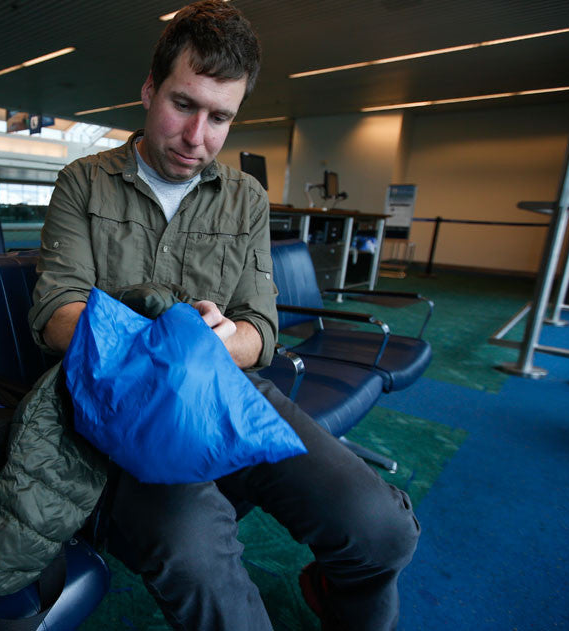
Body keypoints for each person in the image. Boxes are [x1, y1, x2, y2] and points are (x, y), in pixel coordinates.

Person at [27, 1, 421, 629]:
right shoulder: (85, 182)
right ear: (150, 89)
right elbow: (55, 314)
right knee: (194, 555)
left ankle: (335, 592)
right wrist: (176, 342)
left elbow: (259, 331)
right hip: (124, 413)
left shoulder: (244, 198)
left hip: (229, 389)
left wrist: (224, 338)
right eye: (184, 105)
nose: (197, 137)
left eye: (221, 118)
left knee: (382, 531)